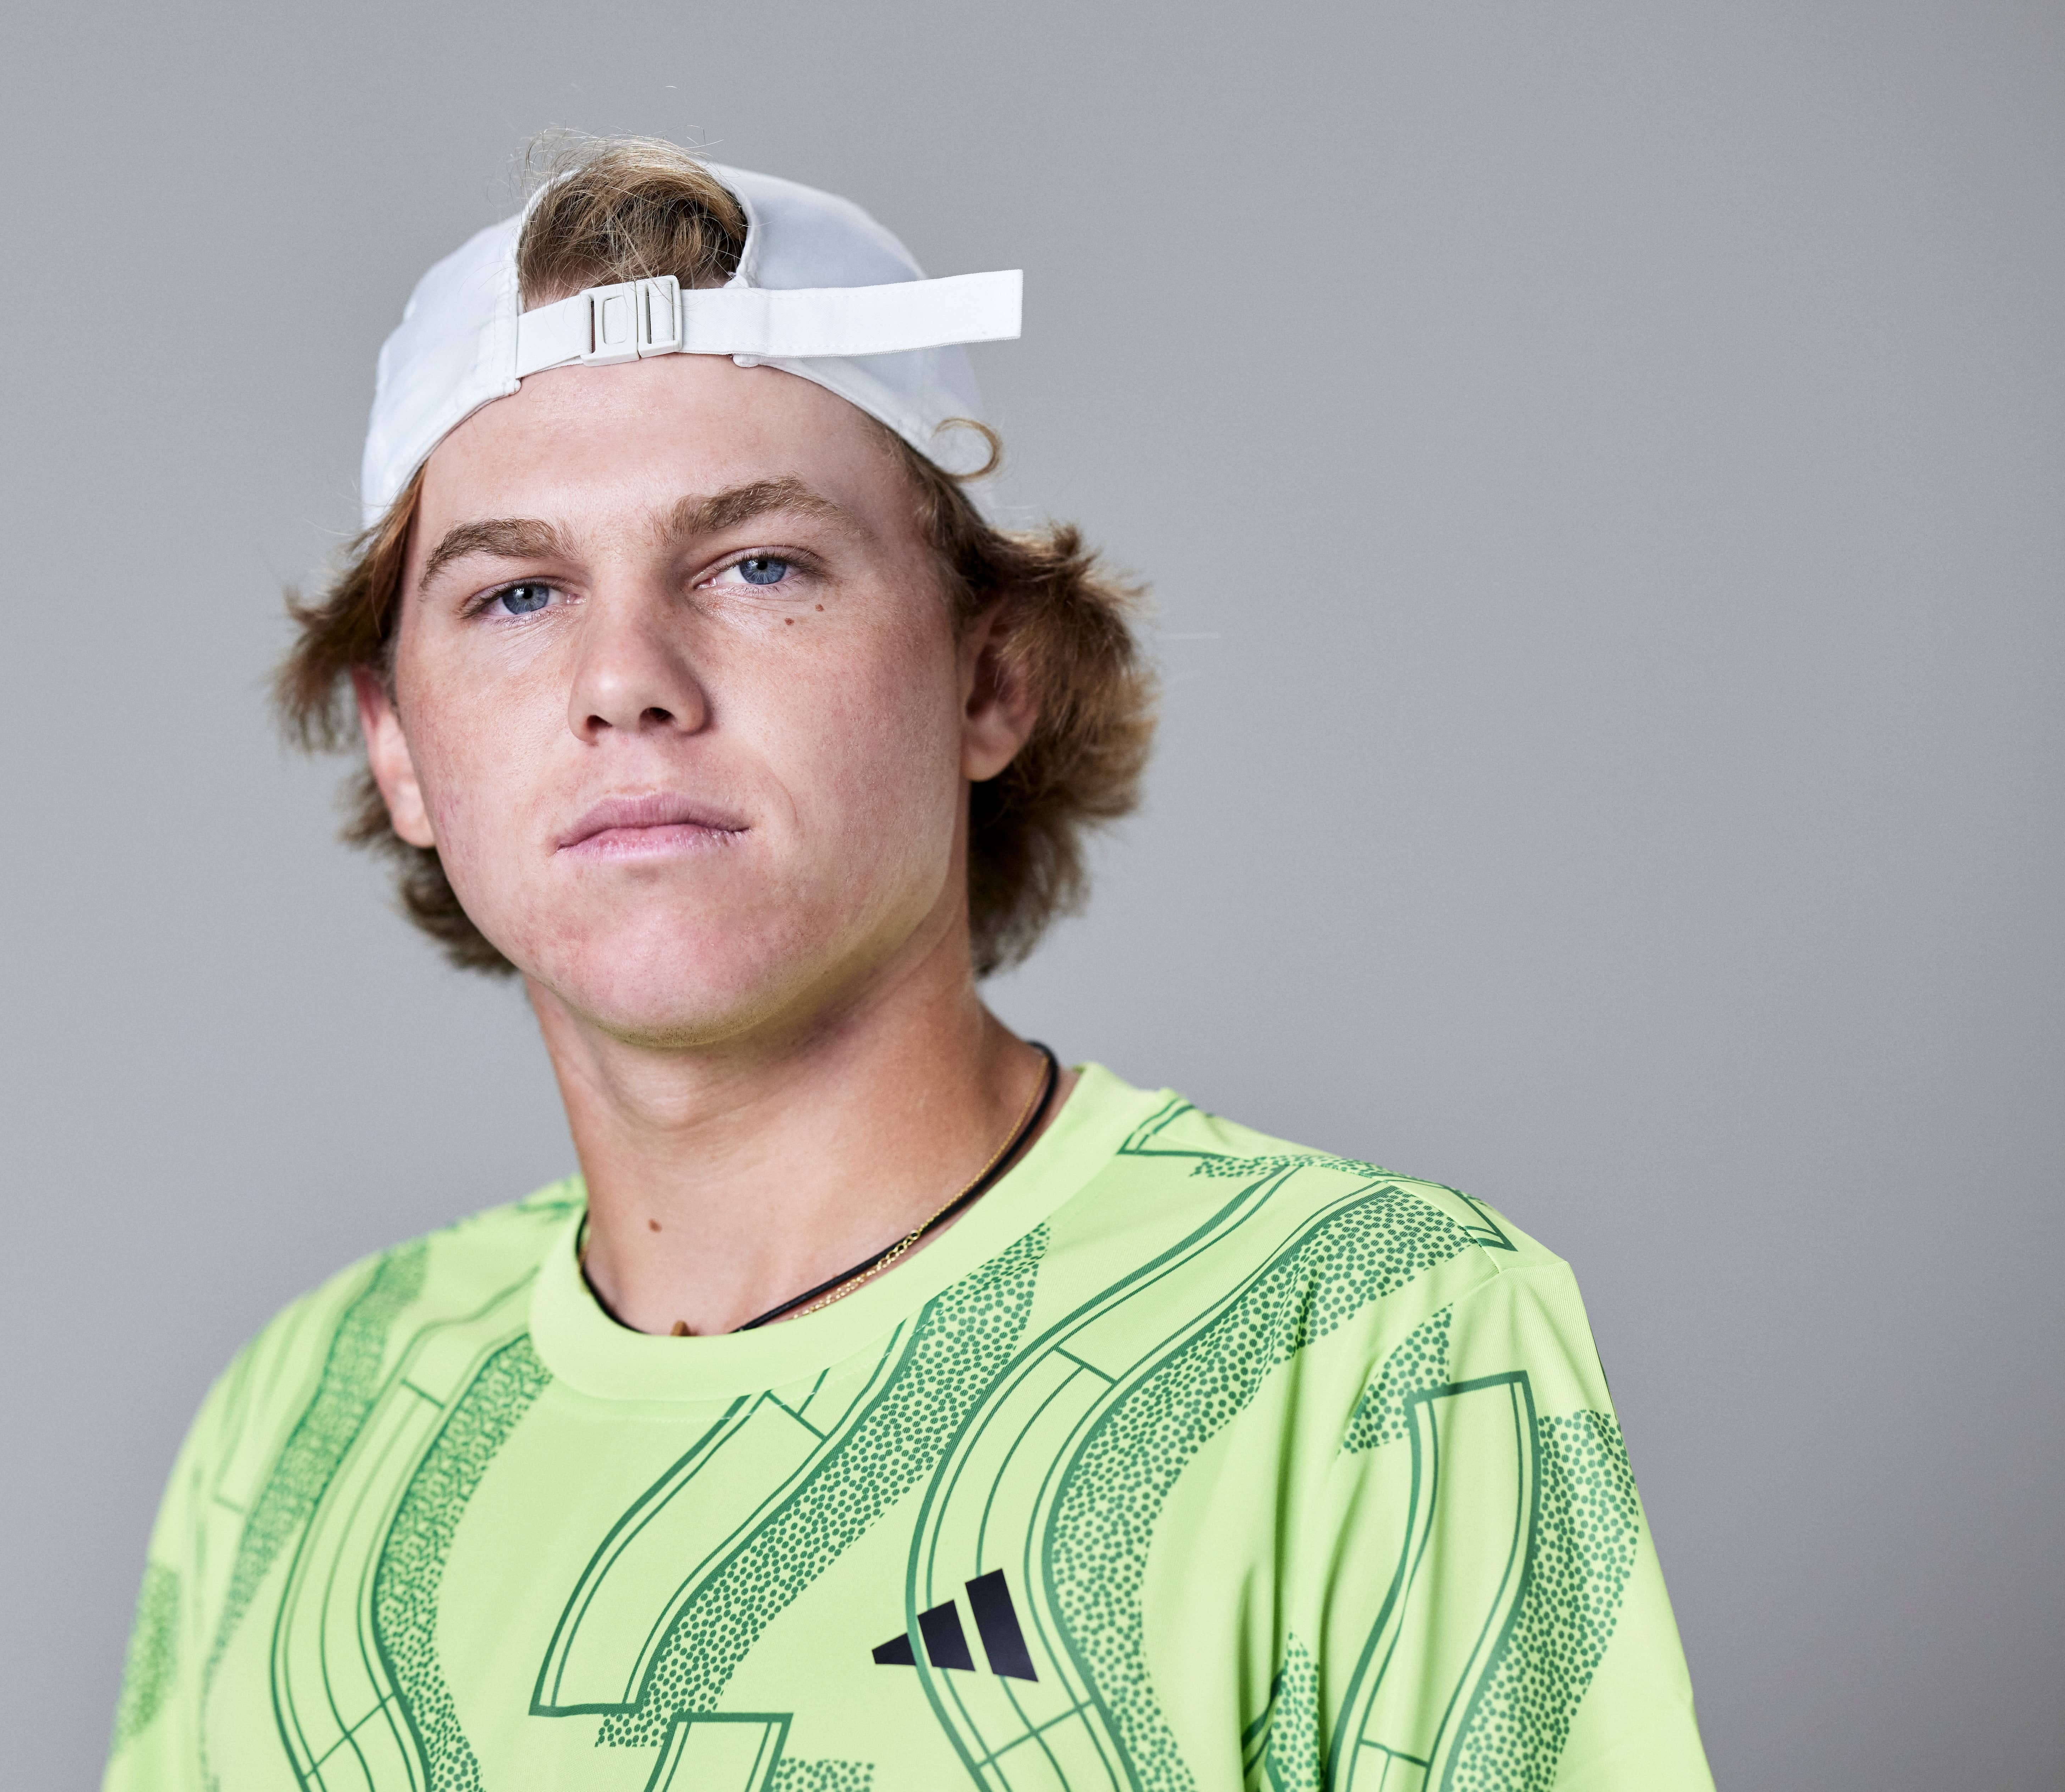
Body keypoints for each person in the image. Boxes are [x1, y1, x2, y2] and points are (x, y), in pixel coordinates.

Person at [102, 136, 1713, 1792]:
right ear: (400, 750)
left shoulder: (1372, 1340)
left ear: (989, 679)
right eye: (518, 595)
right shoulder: (299, 1416)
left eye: (759, 564)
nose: (627, 679)